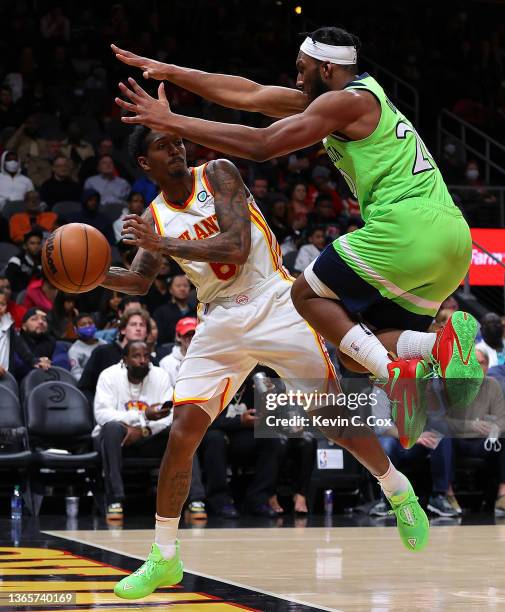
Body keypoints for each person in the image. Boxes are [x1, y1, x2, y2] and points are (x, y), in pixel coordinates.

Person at [97, 126, 426, 600]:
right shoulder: (155, 217)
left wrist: (164, 245)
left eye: (176, 141)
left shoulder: (218, 173)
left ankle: (397, 489)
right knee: (183, 432)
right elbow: (138, 280)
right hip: (218, 321)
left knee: (331, 420)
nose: (176, 148)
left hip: (276, 301)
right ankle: (164, 556)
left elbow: (233, 245)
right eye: (162, 146)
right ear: (144, 164)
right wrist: (91, 278)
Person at [112, 25, 481, 445]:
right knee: (354, 351)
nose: (298, 78)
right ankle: (440, 348)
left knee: (304, 293)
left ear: (327, 67)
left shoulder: (345, 102)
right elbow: (249, 95)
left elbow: (262, 144)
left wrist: (172, 121)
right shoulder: (349, 100)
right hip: (453, 237)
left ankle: (395, 375)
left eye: (303, 69)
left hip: (408, 226)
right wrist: (171, 73)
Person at [93, 340, 173, 521]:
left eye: (146, 356)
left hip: (150, 436)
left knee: (180, 431)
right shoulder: (109, 376)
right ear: (125, 360)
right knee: (111, 428)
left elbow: (170, 414)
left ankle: (193, 499)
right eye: (136, 356)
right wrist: (142, 417)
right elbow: (101, 414)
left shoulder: (161, 376)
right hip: (118, 439)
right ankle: (115, 500)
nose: (142, 360)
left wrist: (144, 430)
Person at [78, 308, 150, 397]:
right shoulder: (102, 352)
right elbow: (84, 388)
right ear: (123, 330)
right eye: (133, 324)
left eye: (142, 325)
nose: (138, 328)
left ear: (146, 333)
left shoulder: (151, 360)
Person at [14, 307, 70, 379]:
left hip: (51, 383)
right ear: (24, 326)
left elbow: (63, 364)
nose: (41, 322)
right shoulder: (15, 342)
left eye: (44, 319)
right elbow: (17, 366)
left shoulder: (54, 343)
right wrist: (38, 363)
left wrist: (48, 364)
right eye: (34, 319)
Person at [153, 274, 196, 344]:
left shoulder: (196, 311)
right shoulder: (161, 312)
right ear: (170, 290)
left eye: (185, 286)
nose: (182, 289)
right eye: (178, 286)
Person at [68, 312, 106, 380]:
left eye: (90, 323)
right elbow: (76, 374)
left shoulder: (103, 343)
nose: (88, 326)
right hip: (90, 383)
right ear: (76, 329)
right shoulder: (74, 350)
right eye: (83, 324)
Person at [5, 229, 43, 293]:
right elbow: (11, 283)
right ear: (25, 246)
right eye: (32, 243)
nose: (36, 246)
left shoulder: (44, 262)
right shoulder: (16, 261)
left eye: (38, 243)